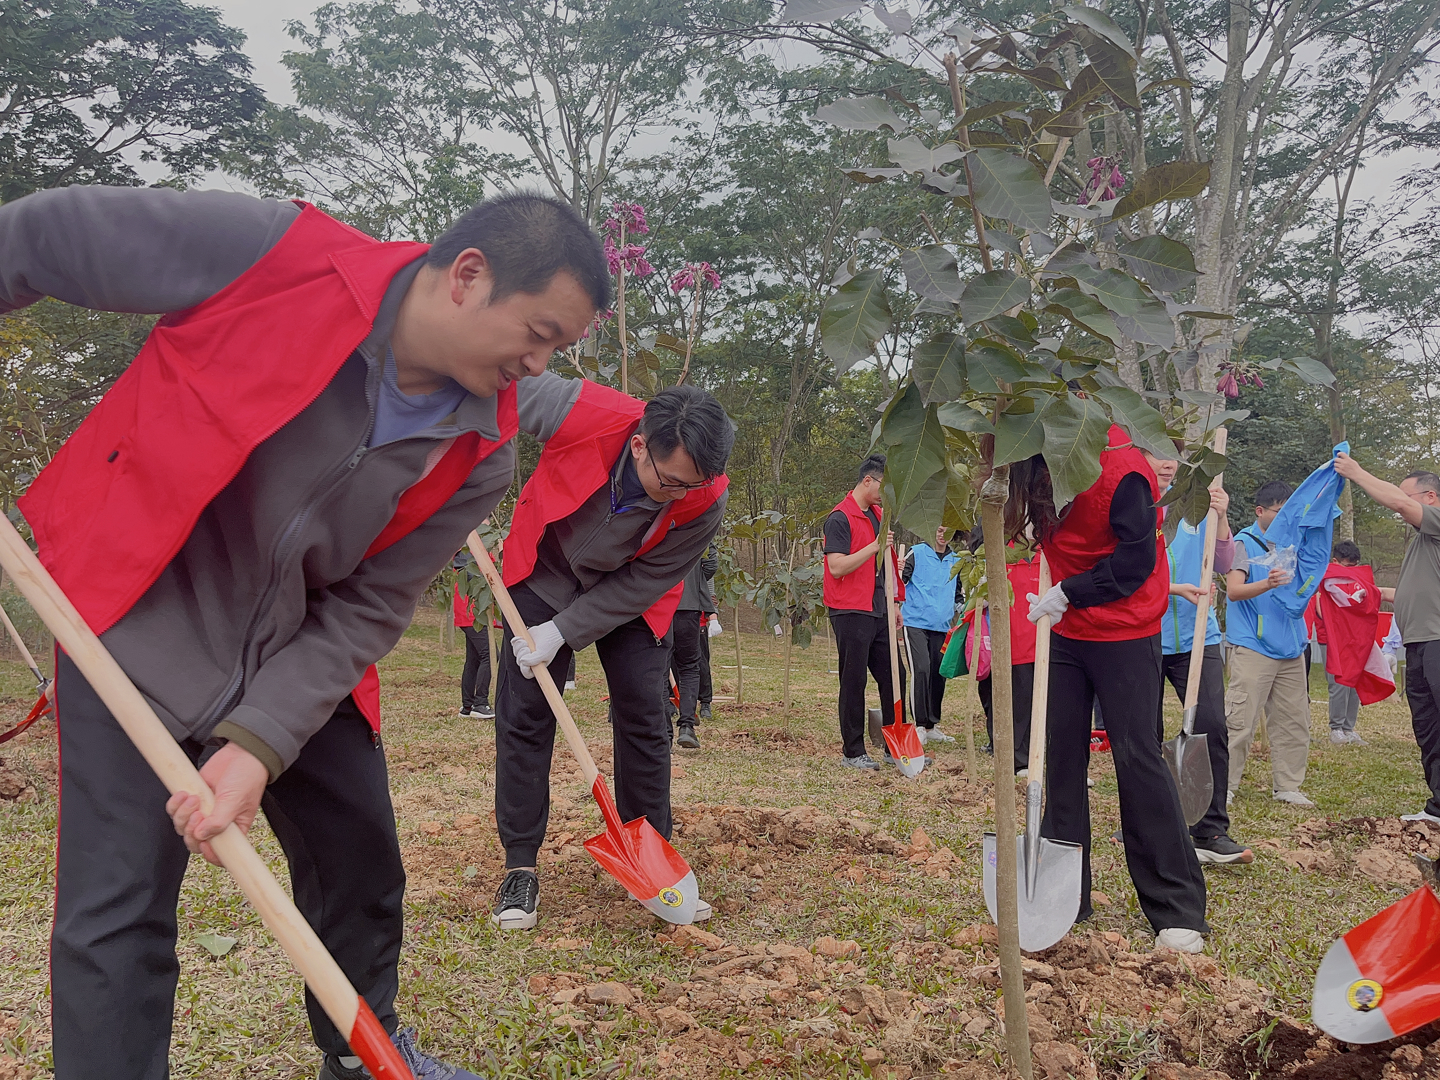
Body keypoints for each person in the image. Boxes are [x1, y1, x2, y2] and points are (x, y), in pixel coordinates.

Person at [0, 185, 605, 1079]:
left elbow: (369, 603)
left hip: (294, 643)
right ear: (468, 277)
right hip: (130, 613)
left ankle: (359, 1057)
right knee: (118, 910)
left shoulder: (482, 448)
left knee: (360, 860)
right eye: (540, 331)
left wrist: (257, 742)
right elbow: (44, 237)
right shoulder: (278, 255)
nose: (540, 360)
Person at [491, 381, 733, 930]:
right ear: (641, 444)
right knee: (525, 712)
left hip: (630, 593)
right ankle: (520, 866)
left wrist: (565, 631)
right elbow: (497, 391)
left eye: (691, 485)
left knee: (645, 713)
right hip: (544, 568)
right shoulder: (585, 411)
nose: (678, 495)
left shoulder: (705, 498)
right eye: (669, 482)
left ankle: (653, 856)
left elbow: (646, 580)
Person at [1010, 428, 1209, 954]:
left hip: (1124, 624)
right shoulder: (1026, 451)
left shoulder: (1124, 473)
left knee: (1136, 754)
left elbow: (1136, 562)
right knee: (1061, 755)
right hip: (1066, 629)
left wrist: (1070, 591)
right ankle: (1066, 894)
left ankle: (1176, 905)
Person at [1142, 447, 1252, 866]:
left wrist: (1222, 517)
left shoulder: (1198, 507)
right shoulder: (1132, 503)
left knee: (1210, 726)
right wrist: (1171, 590)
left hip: (1198, 636)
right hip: (1143, 632)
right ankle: (1147, 822)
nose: (1167, 463)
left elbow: (1225, 563)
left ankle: (1209, 830)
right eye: (1158, 454)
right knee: (1143, 733)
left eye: (1174, 456)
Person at [1331, 454, 1440, 823]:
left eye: (1407, 498)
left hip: (1438, 640)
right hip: (1419, 643)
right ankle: (1438, 806)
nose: (1399, 507)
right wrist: (1363, 588)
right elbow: (1407, 592)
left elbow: (1397, 501)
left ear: (1430, 498)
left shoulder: (1438, 524)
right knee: (1427, 726)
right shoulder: (1423, 545)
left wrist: (1356, 472)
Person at [1225, 480, 1315, 807]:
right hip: (1253, 646)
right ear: (1260, 511)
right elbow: (1233, 590)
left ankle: (1288, 786)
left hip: (1292, 647)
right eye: (1279, 511)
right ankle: (1226, 786)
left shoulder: (1295, 544)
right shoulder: (1243, 543)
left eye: (1289, 511)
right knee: (1240, 721)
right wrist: (1267, 582)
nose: (1285, 518)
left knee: (1294, 721)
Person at [823, 454, 906, 770]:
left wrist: (895, 602)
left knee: (895, 676)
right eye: (883, 485)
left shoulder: (879, 515)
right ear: (867, 480)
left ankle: (895, 746)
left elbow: (883, 567)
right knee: (854, 680)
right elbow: (836, 566)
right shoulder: (839, 518)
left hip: (879, 608)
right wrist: (874, 546)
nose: (886, 493)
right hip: (849, 609)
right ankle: (853, 751)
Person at [901, 525, 961, 745]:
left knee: (938, 673)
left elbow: (958, 593)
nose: (942, 533)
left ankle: (931, 725)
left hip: (942, 625)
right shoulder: (916, 553)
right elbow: (901, 581)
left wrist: (964, 608)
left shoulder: (956, 559)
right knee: (922, 669)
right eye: (938, 528)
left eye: (947, 529)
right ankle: (919, 724)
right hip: (914, 622)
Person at [669, 543, 718, 749]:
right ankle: (687, 726)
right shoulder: (695, 524)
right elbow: (711, 562)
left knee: (660, 666)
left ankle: (664, 732)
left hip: (658, 605)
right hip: (688, 606)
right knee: (690, 666)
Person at [454, 549, 496, 720]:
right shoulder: (468, 547)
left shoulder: (480, 545)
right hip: (472, 613)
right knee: (490, 655)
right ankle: (480, 703)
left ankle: (467, 706)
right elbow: (473, 574)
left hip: (472, 613)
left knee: (474, 658)